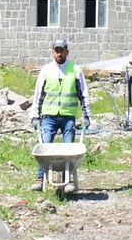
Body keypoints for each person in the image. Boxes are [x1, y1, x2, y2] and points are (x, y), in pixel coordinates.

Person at [31, 38, 91, 187]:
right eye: (56, 51)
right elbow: (38, 95)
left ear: (67, 52)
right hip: (49, 116)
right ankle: (41, 179)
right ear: (52, 52)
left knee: (68, 150)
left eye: (61, 50)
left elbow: (84, 94)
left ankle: (67, 179)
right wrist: (35, 116)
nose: (59, 53)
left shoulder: (75, 70)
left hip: (67, 116)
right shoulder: (46, 70)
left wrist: (86, 115)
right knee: (45, 148)